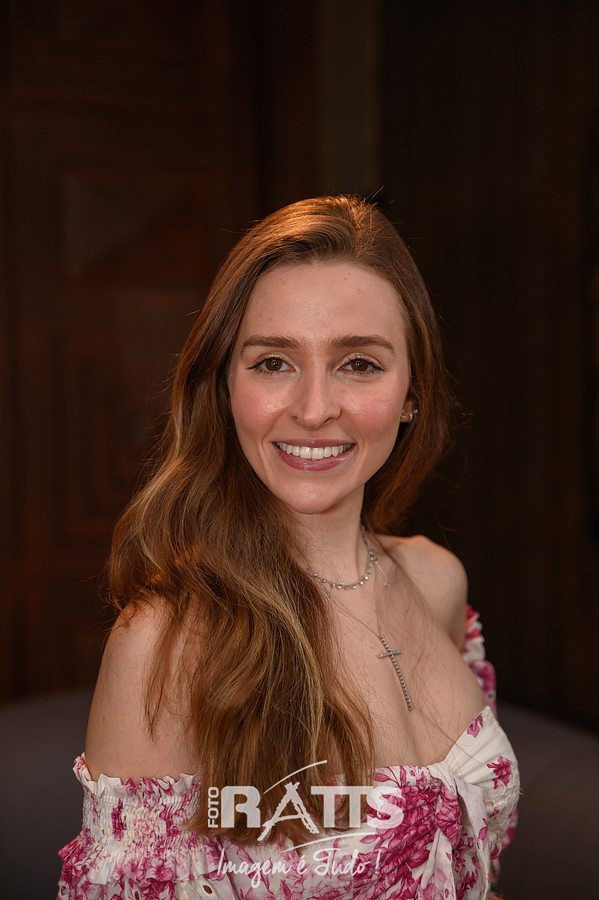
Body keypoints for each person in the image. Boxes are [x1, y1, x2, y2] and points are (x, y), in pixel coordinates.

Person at [57, 195, 520, 899]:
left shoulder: (436, 582)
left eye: (358, 364)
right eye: (273, 362)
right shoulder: (166, 643)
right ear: (225, 386)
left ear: (411, 392)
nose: (312, 408)